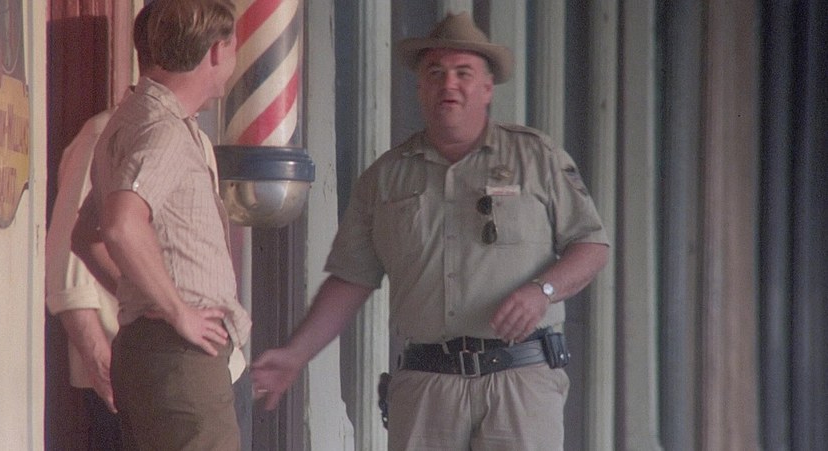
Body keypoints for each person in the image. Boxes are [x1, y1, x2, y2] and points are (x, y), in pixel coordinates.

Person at [251, 11, 609, 450]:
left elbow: (591, 244)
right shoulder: (385, 178)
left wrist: (543, 291)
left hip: (519, 382)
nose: (448, 84)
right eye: (435, 72)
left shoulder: (537, 159)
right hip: (426, 388)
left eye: (463, 73)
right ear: (420, 87)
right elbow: (351, 278)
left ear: (487, 88)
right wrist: (295, 354)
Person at [71, 0, 250, 449]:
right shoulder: (163, 130)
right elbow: (120, 225)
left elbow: (87, 236)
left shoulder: (128, 123)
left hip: (152, 352)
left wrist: (146, 294)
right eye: (233, 46)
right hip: (181, 360)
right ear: (216, 51)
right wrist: (176, 311)